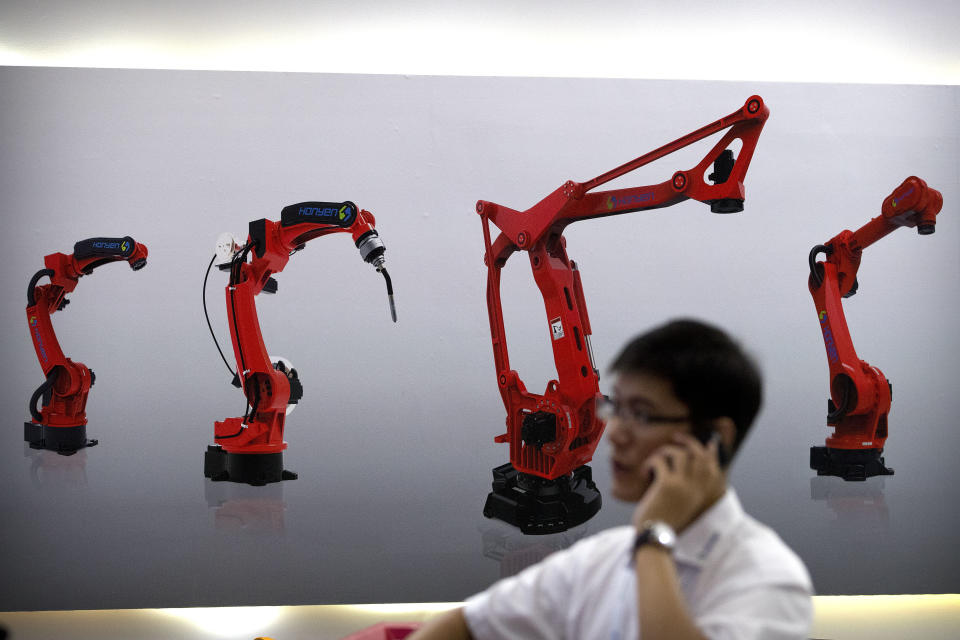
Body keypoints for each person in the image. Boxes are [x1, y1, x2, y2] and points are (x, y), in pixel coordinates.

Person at [410, 318, 813, 640]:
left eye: (640, 414)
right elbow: (467, 625)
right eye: (615, 408)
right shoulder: (597, 560)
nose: (615, 433)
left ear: (713, 438)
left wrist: (654, 535)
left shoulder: (768, 579)